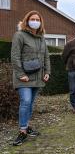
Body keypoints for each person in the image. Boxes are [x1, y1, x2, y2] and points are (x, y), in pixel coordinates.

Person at [11, 11, 51, 146]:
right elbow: (15, 56)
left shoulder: (41, 37)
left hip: (38, 76)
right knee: (26, 101)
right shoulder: (19, 35)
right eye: (32, 19)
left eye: (37, 19)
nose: (35, 21)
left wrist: (47, 71)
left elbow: (46, 56)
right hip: (23, 77)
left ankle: (27, 126)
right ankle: (22, 131)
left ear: (40, 22)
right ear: (26, 20)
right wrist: (21, 74)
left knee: (31, 103)